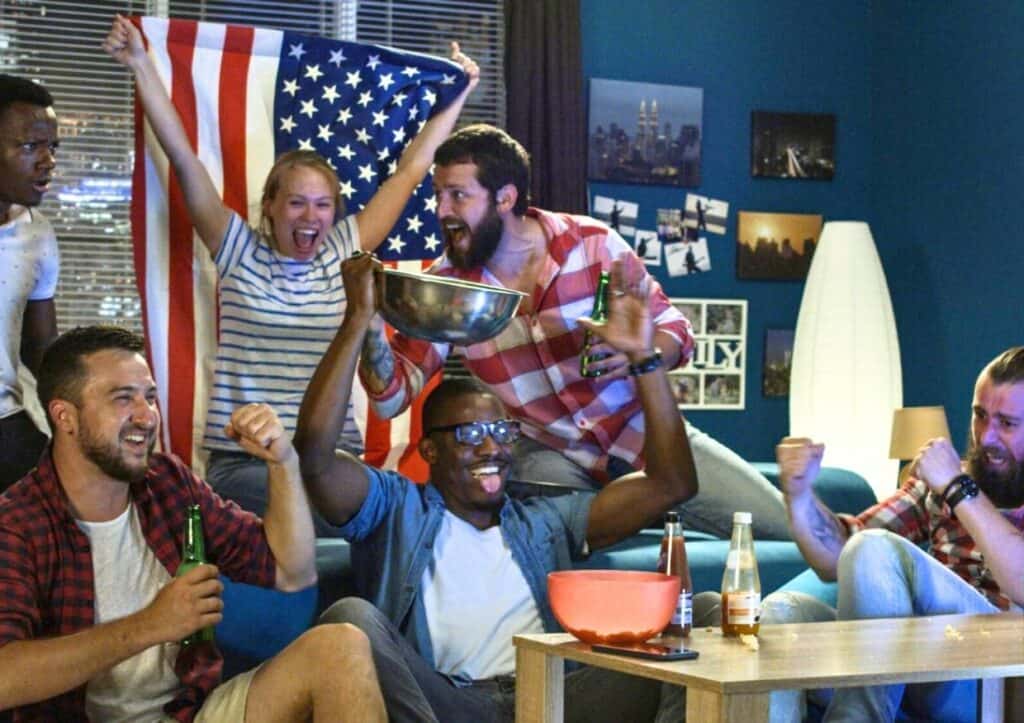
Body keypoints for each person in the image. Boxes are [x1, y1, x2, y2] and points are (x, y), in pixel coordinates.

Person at [294, 253, 713, 722]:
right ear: (430, 452)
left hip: (550, 698)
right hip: (448, 704)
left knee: (705, 620)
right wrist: (357, 319)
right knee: (352, 619)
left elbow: (673, 483)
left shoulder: (544, 521)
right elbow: (313, 455)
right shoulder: (394, 507)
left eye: (503, 433)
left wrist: (645, 360)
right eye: (472, 436)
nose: (492, 448)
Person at [103, 16, 478, 531]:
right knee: (319, 519)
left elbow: (412, 170)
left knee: (407, 519)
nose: (310, 217)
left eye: (323, 206)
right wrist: (141, 65)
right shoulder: (237, 248)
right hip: (245, 464)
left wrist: (459, 92)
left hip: (329, 460)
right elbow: (183, 159)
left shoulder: (344, 248)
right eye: (297, 203)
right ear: (272, 207)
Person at [355, 123, 790, 540]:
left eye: (457, 196)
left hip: (642, 434)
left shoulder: (592, 242)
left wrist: (641, 351)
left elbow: (677, 331)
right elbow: (391, 397)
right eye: (438, 195)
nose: (441, 210)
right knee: (557, 545)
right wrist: (370, 328)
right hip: (546, 460)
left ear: (504, 198)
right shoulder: (447, 287)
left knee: (787, 531)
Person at [0, 325, 387, 721]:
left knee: (341, 647)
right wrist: (149, 625)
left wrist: (282, 464)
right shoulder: (16, 523)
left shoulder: (166, 483)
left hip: (186, 713)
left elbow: (293, 571)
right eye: (122, 399)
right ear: (64, 416)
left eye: (149, 397)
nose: (146, 416)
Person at [760, 346, 1024, 722]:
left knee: (875, 548)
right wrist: (799, 496)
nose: (986, 437)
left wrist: (958, 488)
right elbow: (843, 556)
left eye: (1007, 423)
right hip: (916, 663)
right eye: (980, 416)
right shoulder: (941, 483)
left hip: (999, 682)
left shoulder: (952, 483)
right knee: (781, 615)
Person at [0, 73, 60, 492]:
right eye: (30, 147)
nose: (48, 161)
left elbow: (40, 349)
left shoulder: (38, 235)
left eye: (51, 147)